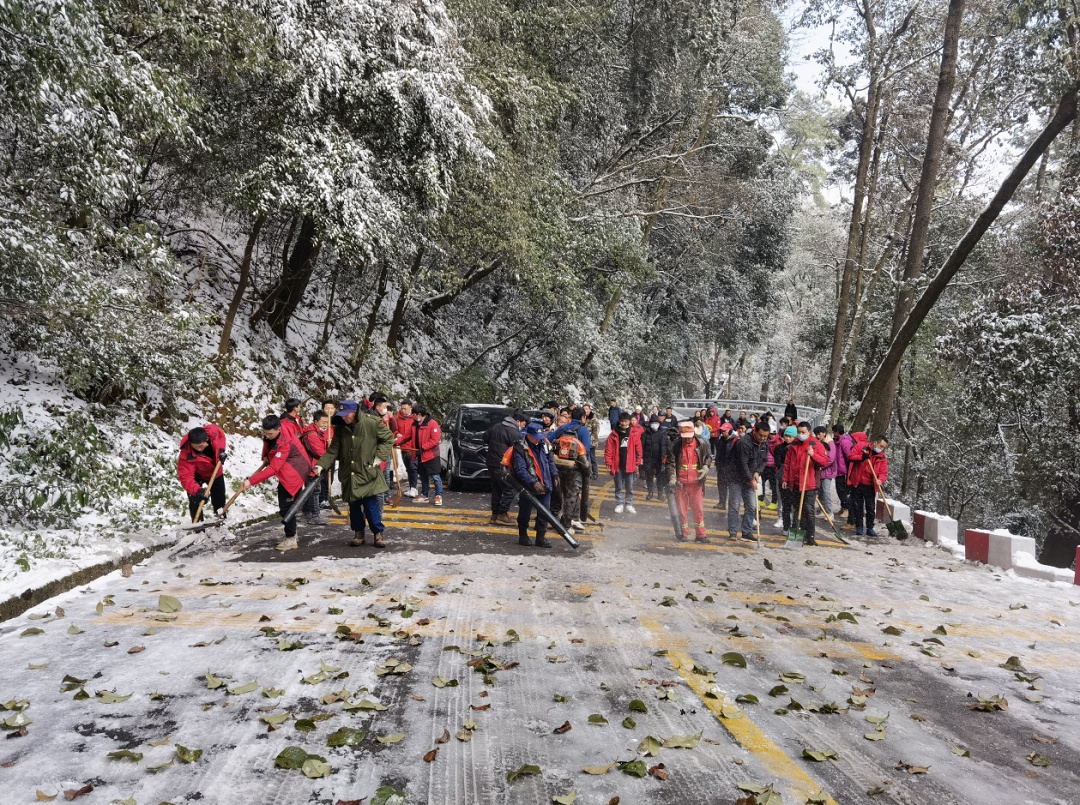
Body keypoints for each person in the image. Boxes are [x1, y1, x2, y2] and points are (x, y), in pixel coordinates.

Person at [313, 398, 395, 547]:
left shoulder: (372, 423)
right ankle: (358, 533)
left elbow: (388, 438)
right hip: (349, 473)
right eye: (342, 414)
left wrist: (378, 457)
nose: (344, 417)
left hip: (367, 472)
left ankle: (378, 533)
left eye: (347, 414)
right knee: (354, 507)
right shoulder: (341, 427)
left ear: (355, 412)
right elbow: (333, 450)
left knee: (371, 507)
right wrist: (321, 465)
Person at [241, 415, 315, 551]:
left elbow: (274, 468)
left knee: (287, 507)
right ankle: (292, 534)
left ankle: (291, 538)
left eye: (270, 433)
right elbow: (269, 445)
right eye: (265, 433)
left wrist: (251, 481)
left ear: (278, 429)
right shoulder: (275, 432)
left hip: (294, 472)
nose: (267, 436)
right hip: (288, 468)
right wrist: (266, 456)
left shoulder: (284, 443)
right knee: (287, 505)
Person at [508, 422, 557, 547]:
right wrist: (533, 483)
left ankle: (540, 537)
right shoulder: (520, 448)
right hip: (529, 486)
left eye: (540, 438)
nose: (538, 440)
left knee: (545, 512)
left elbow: (550, 462)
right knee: (525, 512)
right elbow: (520, 470)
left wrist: (555, 475)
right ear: (529, 435)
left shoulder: (545, 445)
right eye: (536, 437)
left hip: (545, 484)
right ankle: (523, 535)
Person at [782, 422, 829, 546]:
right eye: (799, 432)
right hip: (795, 482)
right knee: (797, 508)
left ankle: (810, 536)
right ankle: (799, 532)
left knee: (808, 509)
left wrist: (813, 455)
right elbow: (787, 463)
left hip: (809, 483)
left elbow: (824, 461)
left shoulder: (816, 444)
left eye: (803, 432)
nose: (801, 434)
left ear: (809, 432)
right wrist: (785, 479)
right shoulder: (794, 445)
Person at [665, 420, 711, 541]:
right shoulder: (675, 446)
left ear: (693, 434)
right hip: (680, 484)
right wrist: (672, 477)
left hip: (696, 483)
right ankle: (683, 533)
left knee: (698, 509)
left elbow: (708, 457)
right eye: (684, 437)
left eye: (689, 437)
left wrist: (706, 467)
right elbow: (670, 463)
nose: (687, 440)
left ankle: (701, 535)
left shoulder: (702, 443)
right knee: (682, 511)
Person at [549, 409, 590, 534]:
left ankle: (575, 519)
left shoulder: (563, 428)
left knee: (567, 493)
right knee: (572, 495)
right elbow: (586, 449)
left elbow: (549, 439)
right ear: (583, 418)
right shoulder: (583, 430)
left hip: (560, 465)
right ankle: (566, 524)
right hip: (575, 467)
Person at [728, 420, 770, 541]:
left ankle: (746, 532)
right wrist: (751, 480)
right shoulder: (744, 443)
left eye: (765, 436)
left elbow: (763, 461)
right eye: (761, 435)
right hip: (736, 477)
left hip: (751, 476)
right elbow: (742, 464)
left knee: (751, 506)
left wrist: (757, 472)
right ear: (755, 431)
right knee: (735, 505)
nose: (763, 438)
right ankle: (732, 532)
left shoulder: (765, 444)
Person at [485, 410, 528, 525]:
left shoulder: (496, 426)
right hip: (502, 464)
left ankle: (494, 514)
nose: (523, 427)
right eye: (523, 424)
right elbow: (518, 451)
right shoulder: (514, 433)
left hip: (491, 462)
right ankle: (502, 514)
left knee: (497, 488)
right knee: (510, 488)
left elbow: (485, 438)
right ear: (518, 421)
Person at [177, 424, 227, 522]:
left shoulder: (213, 432)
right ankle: (198, 527)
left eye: (200, 446)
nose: (198, 449)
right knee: (195, 500)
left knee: (219, 500)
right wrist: (198, 491)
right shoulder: (186, 454)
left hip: (215, 472)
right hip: (197, 476)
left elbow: (221, 435)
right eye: (195, 446)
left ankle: (220, 521)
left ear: (207, 439)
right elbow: (185, 477)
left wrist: (221, 450)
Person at [846, 433, 889, 537]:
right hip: (858, 482)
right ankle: (859, 526)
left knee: (870, 508)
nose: (881, 449)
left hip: (870, 485)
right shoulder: (862, 447)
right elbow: (850, 456)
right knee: (858, 506)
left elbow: (883, 472)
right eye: (880, 446)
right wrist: (862, 457)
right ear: (875, 443)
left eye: (883, 447)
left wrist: (880, 480)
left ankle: (870, 527)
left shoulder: (882, 457)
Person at [606, 412, 642, 514]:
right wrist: (609, 463)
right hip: (617, 464)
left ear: (629, 421)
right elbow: (608, 450)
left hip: (630, 464)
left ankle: (629, 504)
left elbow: (638, 448)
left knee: (630, 486)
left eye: (625, 421)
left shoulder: (633, 433)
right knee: (618, 485)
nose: (623, 423)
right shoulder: (613, 434)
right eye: (621, 421)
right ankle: (619, 503)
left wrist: (638, 462)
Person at [299, 412, 331, 524]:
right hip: (311, 466)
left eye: (327, 422)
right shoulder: (311, 434)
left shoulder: (321, 432)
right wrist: (330, 454)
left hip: (316, 464)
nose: (325, 425)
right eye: (323, 422)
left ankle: (307, 513)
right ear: (316, 422)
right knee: (314, 490)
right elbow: (318, 452)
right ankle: (314, 515)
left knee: (311, 490)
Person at [413, 405, 443, 506]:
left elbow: (435, 440)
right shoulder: (416, 424)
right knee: (423, 476)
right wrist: (397, 442)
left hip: (431, 455)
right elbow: (408, 436)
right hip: (421, 455)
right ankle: (425, 495)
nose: (412, 416)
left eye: (414, 414)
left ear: (419, 415)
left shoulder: (433, 424)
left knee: (435, 476)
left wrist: (423, 448)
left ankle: (438, 495)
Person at [393, 401, 419, 497]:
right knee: (408, 468)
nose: (403, 411)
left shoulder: (415, 419)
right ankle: (412, 487)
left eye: (405, 409)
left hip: (413, 448)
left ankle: (414, 487)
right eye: (402, 408)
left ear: (410, 408)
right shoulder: (397, 419)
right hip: (403, 447)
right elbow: (394, 429)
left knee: (413, 468)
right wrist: (396, 434)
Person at [832, 424, 855, 521]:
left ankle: (847, 508)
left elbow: (850, 456)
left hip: (844, 471)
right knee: (839, 489)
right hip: (838, 470)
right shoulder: (837, 441)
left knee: (843, 491)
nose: (833, 433)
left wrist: (849, 471)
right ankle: (843, 507)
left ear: (837, 432)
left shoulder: (845, 442)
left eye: (834, 432)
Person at [641, 414, 666, 500]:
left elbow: (666, 446)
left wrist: (665, 457)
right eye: (653, 423)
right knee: (649, 477)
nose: (655, 424)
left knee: (660, 477)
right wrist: (641, 458)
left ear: (659, 424)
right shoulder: (646, 433)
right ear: (650, 423)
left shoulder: (662, 433)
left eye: (656, 423)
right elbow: (641, 446)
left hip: (659, 459)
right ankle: (650, 492)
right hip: (649, 458)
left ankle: (660, 494)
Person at [317, 401, 337, 507]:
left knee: (330, 477)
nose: (330, 411)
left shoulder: (334, 424)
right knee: (323, 477)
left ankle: (326, 497)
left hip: (331, 454)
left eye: (332, 408)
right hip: (322, 454)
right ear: (322, 410)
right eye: (327, 408)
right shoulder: (321, 422)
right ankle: (321, 499)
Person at [817, 425, 840, 516]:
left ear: (824, 433)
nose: (818, 436)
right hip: (820, 471)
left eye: (819, 434)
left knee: (826, 491)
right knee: (820, 492)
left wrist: (821, 466)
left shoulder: (830, 443)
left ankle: (829, 511)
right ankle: (822, 509)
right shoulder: (819, 442)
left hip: (827, 471)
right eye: (816, 434)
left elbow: (830, 459)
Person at [714, 423, 737, 511]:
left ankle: (732, 505)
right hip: (721, 467)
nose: (722, 432)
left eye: (724, 431)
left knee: (732, 487)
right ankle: (722, 502)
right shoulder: (721, 439)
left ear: (730, 430)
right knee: (721, 485)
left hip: (730, 468)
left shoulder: (735, 440)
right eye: (722, 431)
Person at [583, 403, 600, 479]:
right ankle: (587, 473)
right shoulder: (582, 418)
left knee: (592, 458)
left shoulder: (593, 419)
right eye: (584, 409)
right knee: (585, 458)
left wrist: (590, 439)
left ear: (590, 410)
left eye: (587, 409)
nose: (586, 410)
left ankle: (595, 473)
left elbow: (596, 431)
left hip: (591, 442)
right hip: (583, 442)